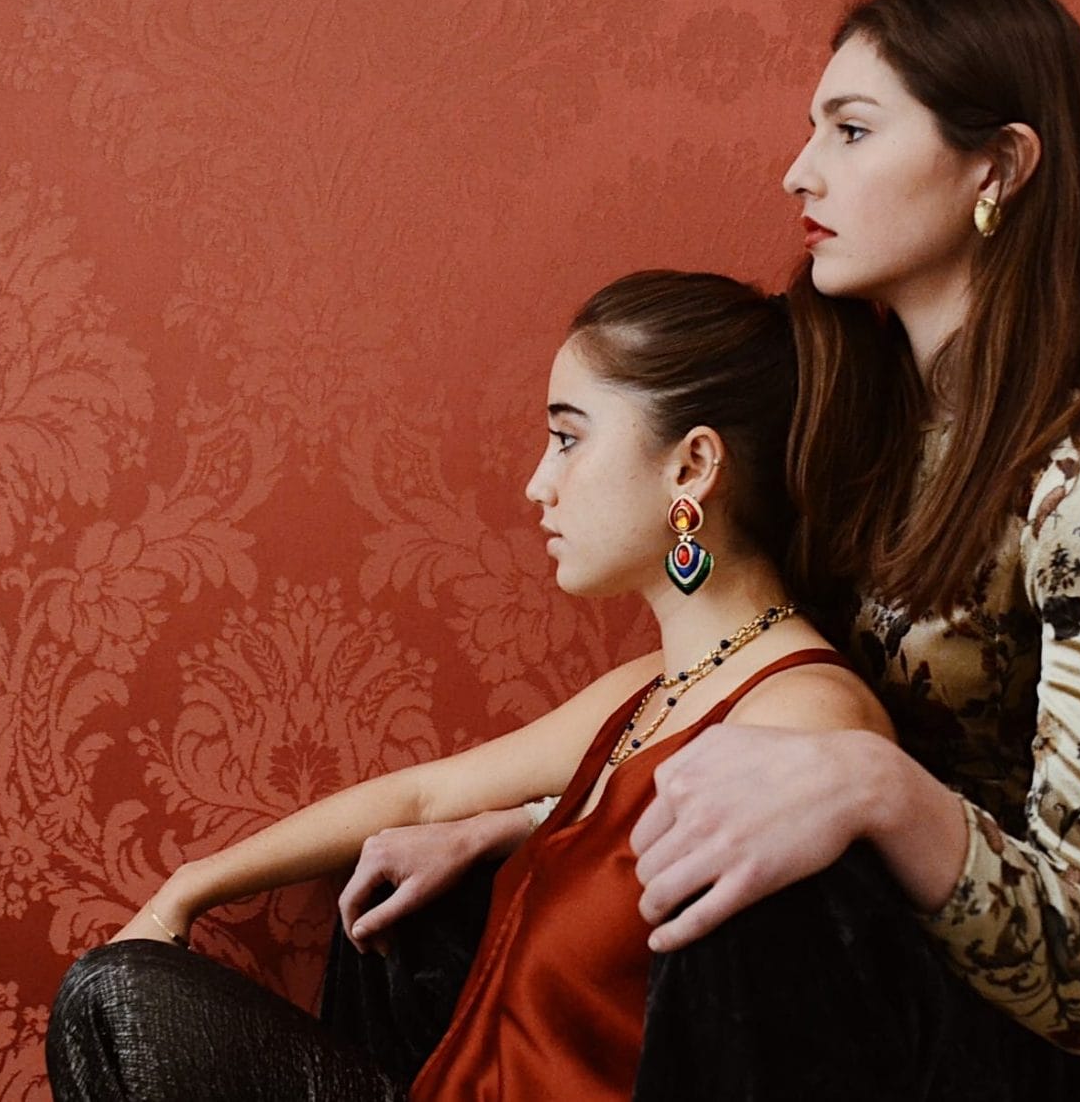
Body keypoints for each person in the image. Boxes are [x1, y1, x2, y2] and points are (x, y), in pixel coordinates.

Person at [340, 0, 1080, 1085]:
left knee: (752, 905)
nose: (799, 172)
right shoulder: (856, 397)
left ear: (1000, 166)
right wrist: (540, 829)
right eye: (812, 130)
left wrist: (876, 791)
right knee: (415, 906)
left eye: (849, 130)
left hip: (971, 1029)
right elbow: (736, 675)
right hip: (809, 956)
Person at [47, 269, 902, 1100]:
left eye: (569, 437)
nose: (539, 483)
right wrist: (183, 891)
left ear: (691, 469)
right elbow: (424, 797)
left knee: (114, 997)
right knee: (120, 988)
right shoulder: (655, 688)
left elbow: (786, 1044)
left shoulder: (802, 720)